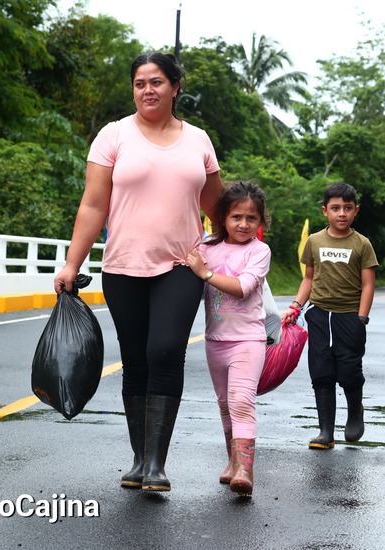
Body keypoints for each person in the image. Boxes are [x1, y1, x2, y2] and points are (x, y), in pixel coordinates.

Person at [53, 52, 223, 492]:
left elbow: (218, 208)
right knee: (136, 359)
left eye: (157, 82)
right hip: (123, 265)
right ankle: (138, 458)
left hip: (182, 265)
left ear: (175, 87)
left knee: (166, 350)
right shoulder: (113, 136)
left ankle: (156, 464)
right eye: (140, 83)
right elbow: (93, 204)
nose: (148, 90)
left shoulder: (198, 141)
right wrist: (73, 262)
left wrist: (245, 248)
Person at [186, 181, 271, 497]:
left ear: (260, 222)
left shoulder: (259, 251)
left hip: (248, 340)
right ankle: (233, 462)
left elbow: (244, 286)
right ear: (223, 217)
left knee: (241, 400)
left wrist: (205, 274)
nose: (244, 224)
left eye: (251, 218)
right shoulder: (207, 247)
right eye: (237, 217)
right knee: (224, 404)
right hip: (215, 340)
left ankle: (246, 470)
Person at [284, 182, 378, 449]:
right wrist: (296, 306)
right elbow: (308, 279)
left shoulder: (362, 244)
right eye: (335, 208)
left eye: (347, 208)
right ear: (325, 211)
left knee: (349, 370)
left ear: (355, 211)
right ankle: (326, 431)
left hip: (350, 316)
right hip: (319, 314)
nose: (341, 213)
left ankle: (355, 411)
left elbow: (368, 284)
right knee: (321, 371)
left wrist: (362, 318)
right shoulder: (314, 241)